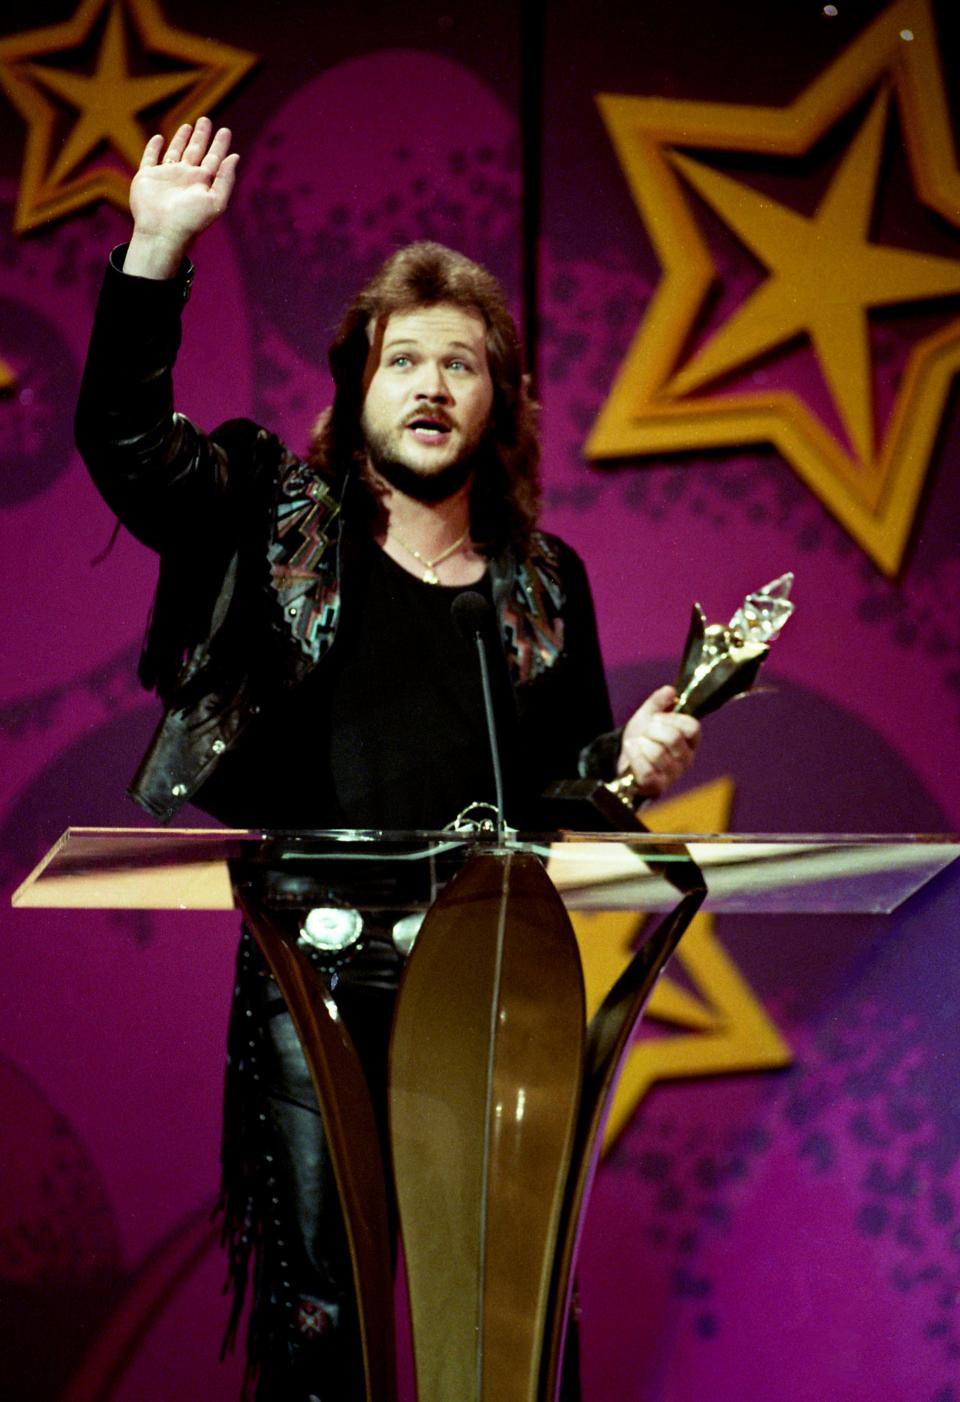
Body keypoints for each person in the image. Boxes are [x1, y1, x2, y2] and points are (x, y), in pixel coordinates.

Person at [75, 117, 701, 1401]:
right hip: (317, 971)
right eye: (402, 358)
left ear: (499, 398)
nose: (430, 384)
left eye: (460, 363)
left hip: (491, 977)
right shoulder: (271, 515)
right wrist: (157, 249)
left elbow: (553, 798)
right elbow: (127, 446)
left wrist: (621, 759)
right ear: (355, 385)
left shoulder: (541, 581)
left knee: (507, 1312)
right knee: (324, 1315)